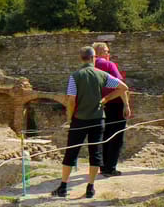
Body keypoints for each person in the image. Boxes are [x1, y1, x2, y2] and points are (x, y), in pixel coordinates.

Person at [52, 47, 128, 198]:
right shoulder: (102, 74)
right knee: (95, 153)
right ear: (93, 58)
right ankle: (90, 188)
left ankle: (63, 186)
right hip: (98, 119)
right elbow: (123, 87)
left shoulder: (75, 76)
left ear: (81, 59)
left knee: (71, 152)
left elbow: (71, 100)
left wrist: (70, 117)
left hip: (79, 119)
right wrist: (105, 99)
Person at [92, 42, 133, 178]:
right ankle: (110, 168)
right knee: (116, 136)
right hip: (114, 103)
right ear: (101, 52)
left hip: (99, 104)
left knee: (104, 135)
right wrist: (126, 105)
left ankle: (103, 166)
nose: (108, 54)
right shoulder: (109, 65)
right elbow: (121, 87)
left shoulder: (90, 67)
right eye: (107, 51)